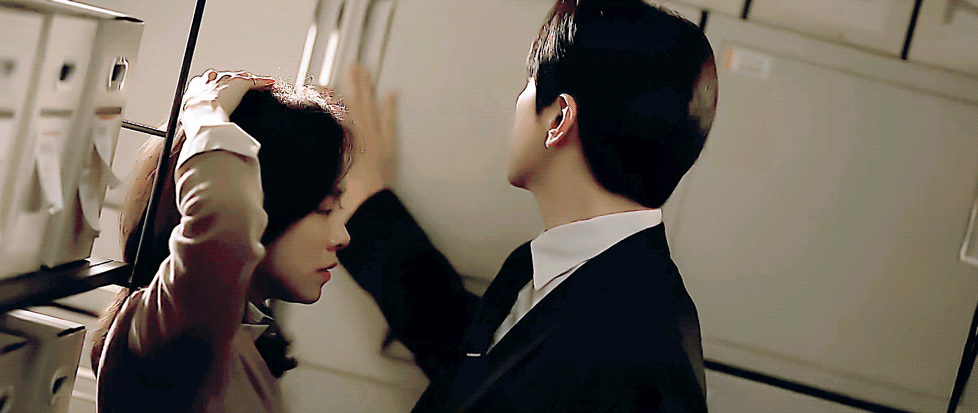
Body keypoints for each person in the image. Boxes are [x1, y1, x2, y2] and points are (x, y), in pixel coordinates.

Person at [337, 0, 718, 412]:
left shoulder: (644, 349)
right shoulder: (569, 270)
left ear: (558, 120)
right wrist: (370, 208)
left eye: (529, 83)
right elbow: (484, 371)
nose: (517, 100)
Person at [92, 70, 354, 413]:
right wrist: (203, 110)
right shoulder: (164, 331)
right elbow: (226, 216)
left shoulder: (241, 341)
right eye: (324, 210)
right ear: (265, 203)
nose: (343, 237)